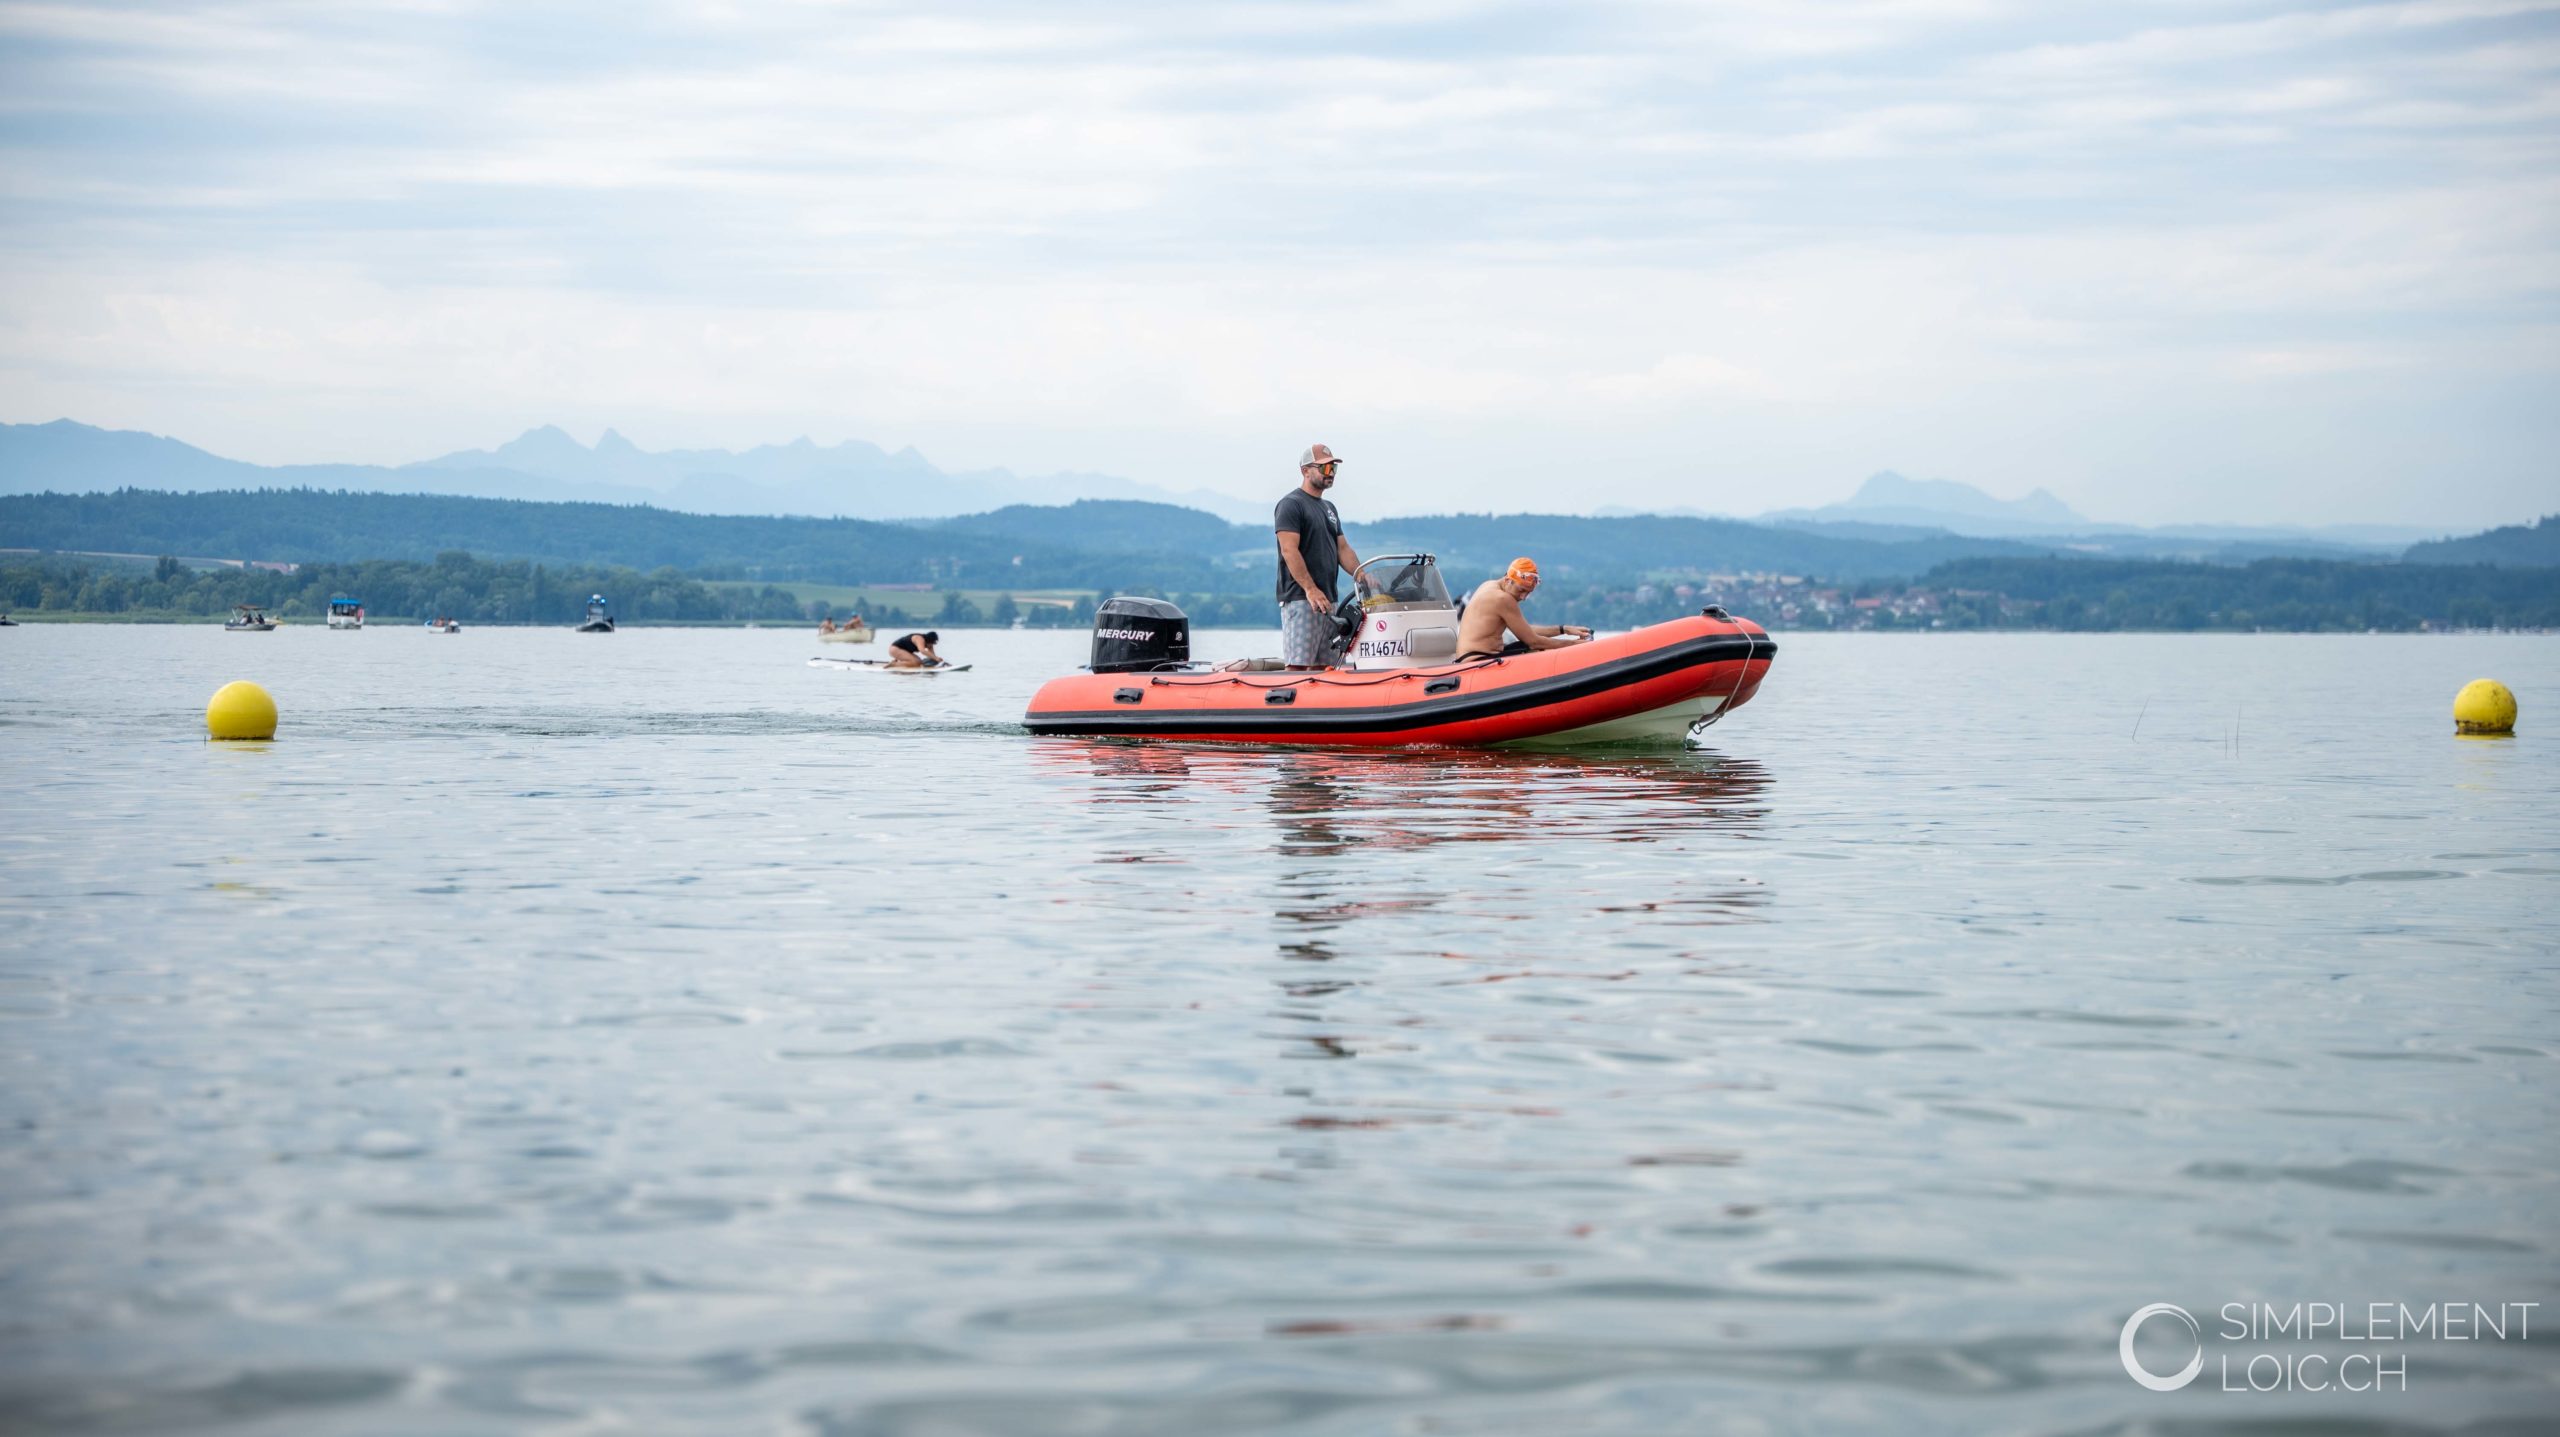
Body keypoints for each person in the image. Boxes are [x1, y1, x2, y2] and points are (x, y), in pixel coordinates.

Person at [1274, 442, 1365, 670]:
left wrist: (1362, 575)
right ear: (1305, 471)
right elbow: (1289, 550)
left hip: (1329, 600)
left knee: (1327, 668)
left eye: (1333, 468)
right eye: (1324, 468)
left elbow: (1343, 549)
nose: (1330, 473)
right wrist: (1310, 589)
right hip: (1302, 599)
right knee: (1298, 666)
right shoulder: (1291, 504)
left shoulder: (1329, 508)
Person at [1456, 558, 1590, 661]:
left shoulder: (1488, 585)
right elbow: (1534, 642)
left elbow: (1526, 631)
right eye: (1521, 590)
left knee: (1535, 648)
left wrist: (1564, 629)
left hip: (1470, 657)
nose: (1523, 597)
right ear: (1508, 580)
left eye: (1528, 593)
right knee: (1539, 650)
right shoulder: (1502, 599)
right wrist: (1575, 644)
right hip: (1477, 661)